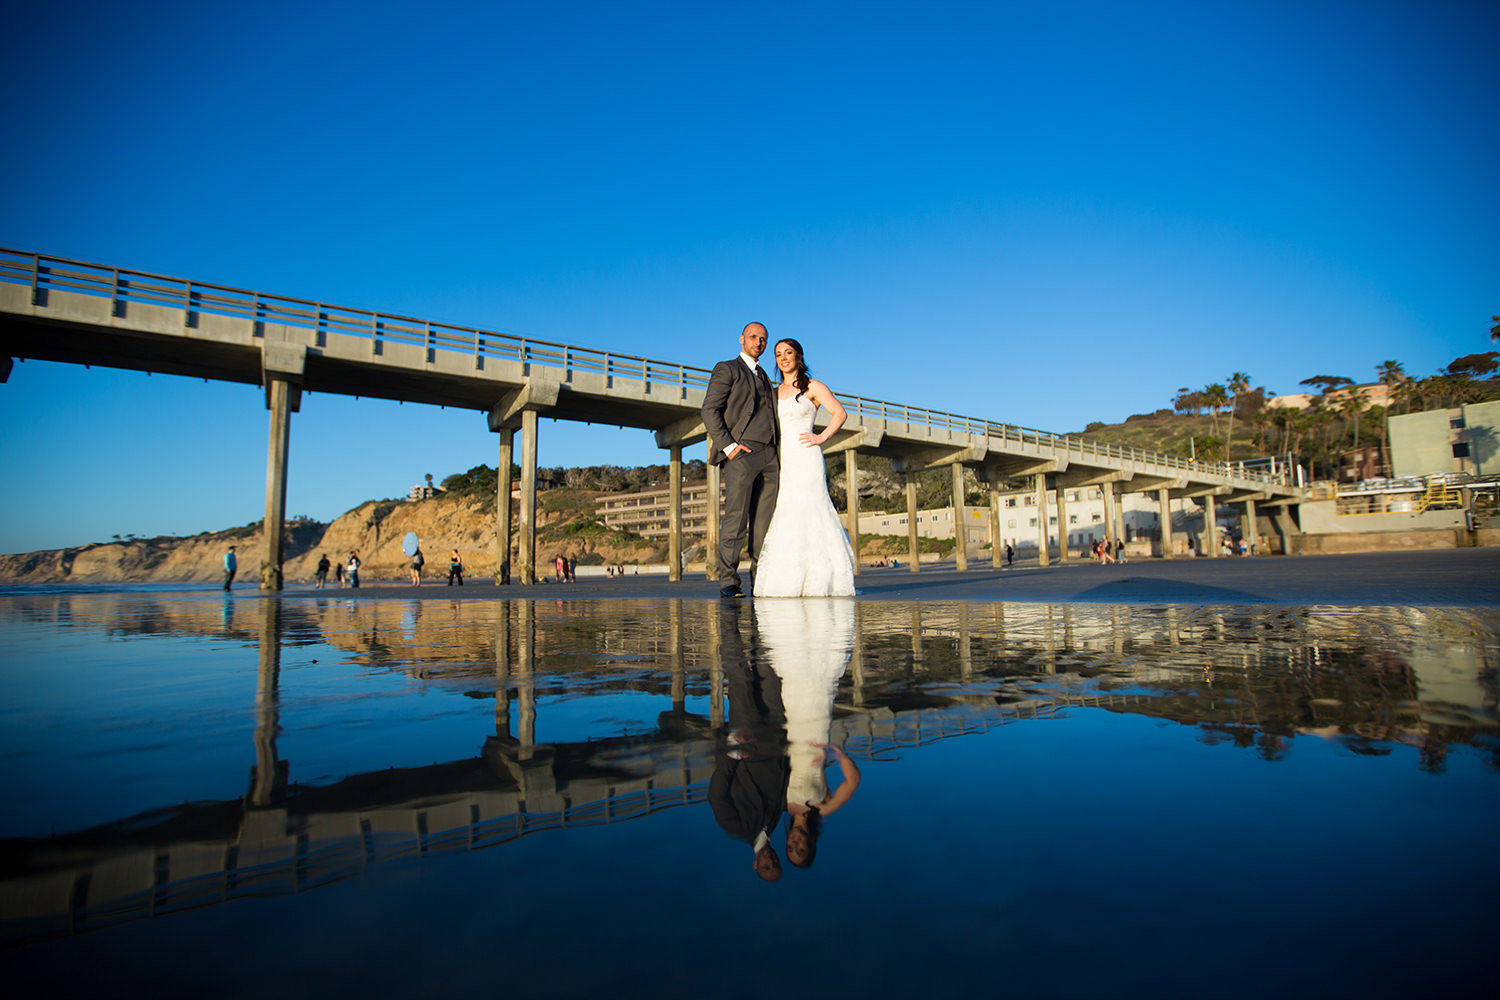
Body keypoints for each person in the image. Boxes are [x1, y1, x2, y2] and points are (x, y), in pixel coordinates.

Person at [757, 599, 859, 870]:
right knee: (819, 683)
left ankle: (793, 623)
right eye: (801, 849)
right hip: (816, 732)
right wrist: (841, 757)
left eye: (790, 848)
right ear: (812, 844)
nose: (795, 843)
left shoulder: (779, 809)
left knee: (791, 681)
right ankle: (819, 624)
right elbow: (851, 783)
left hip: (791, 733)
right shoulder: (822, 808)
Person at [751, 338, 856, 598]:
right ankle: (787, 580)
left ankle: (821, 580)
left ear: (799, 356)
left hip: (806, 457)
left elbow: (840, 413)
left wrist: (821, 437)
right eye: (778, 354)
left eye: (788, 353)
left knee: (812, 508)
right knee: (786, 511)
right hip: (782, 459)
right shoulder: (773, 392)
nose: (783, 358)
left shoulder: (813, 387)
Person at [708, 602, 789, 882]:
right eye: (777, 863)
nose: (772, 860)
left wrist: (732, 752)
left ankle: (728, 617)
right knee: (768, 669)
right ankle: (759, 619)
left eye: (768, 866)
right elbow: (782, 779)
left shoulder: (736, 827)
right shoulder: (775, 823)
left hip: (747, 739)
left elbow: (716, 795)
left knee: (739, 675)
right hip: (775, 730)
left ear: (756, 865)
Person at [702, 322, 781, 599]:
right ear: (741, 339)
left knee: (764, 523)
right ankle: (729, 581)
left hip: (770, 456)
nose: (759, 342)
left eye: (763, 339)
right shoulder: (727, 368)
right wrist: (729, 447)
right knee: (735, 520)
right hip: (742, 455)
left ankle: (760, 580)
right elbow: (709, 409)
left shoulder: (765, 376)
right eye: (753, 337)